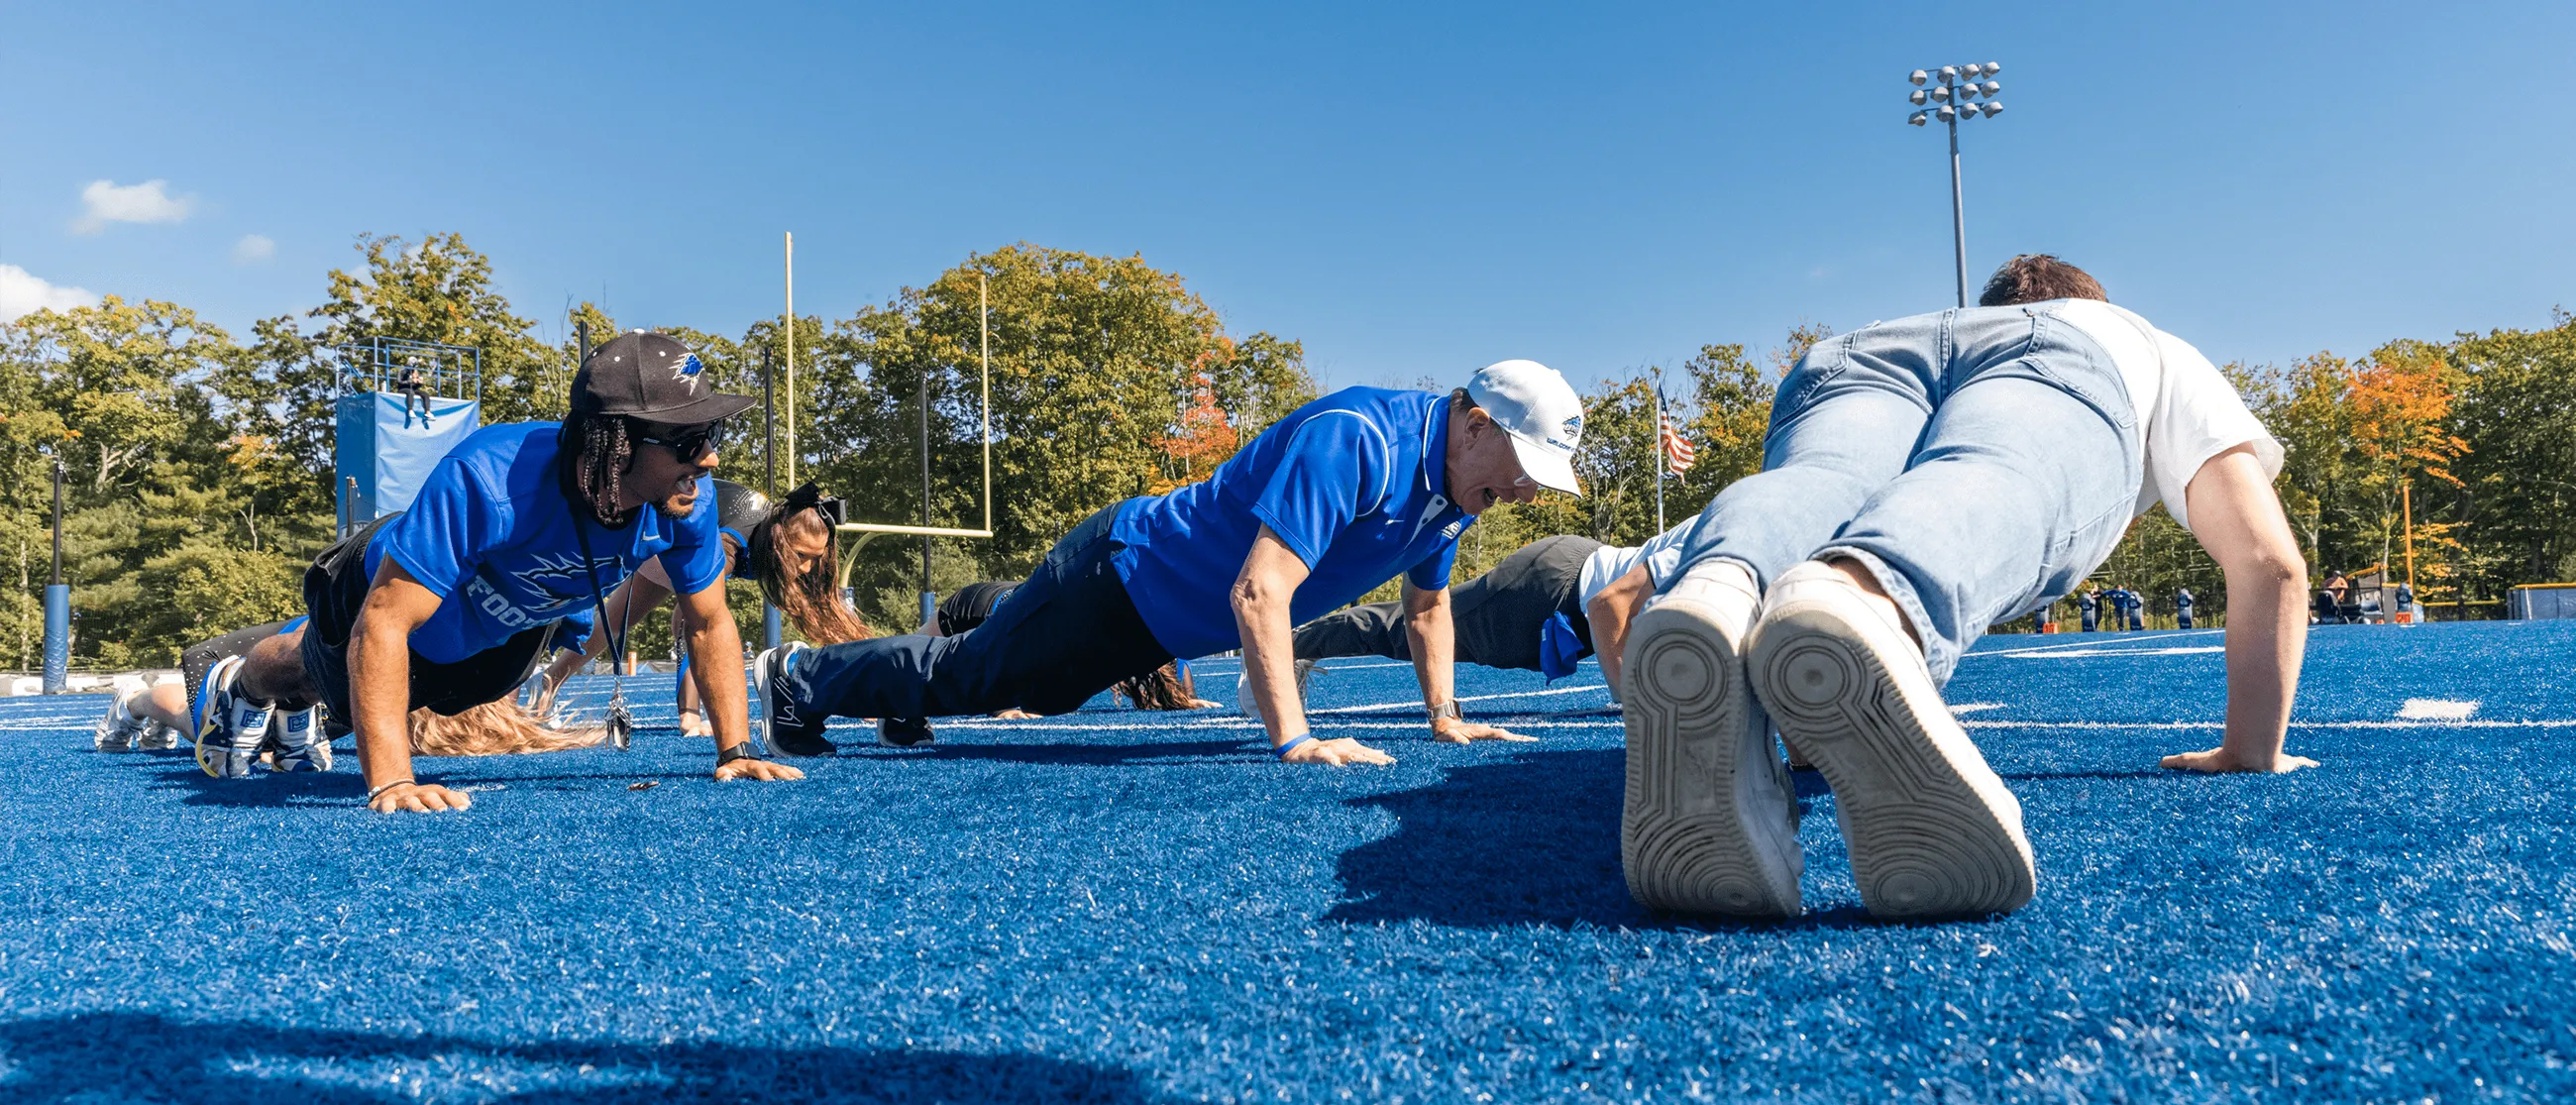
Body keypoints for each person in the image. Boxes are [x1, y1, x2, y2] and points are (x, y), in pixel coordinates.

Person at [1617, 255, 2313, 922]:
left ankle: (1720, 586)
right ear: (2089, 304)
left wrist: (1809, 734)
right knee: (1997, 467)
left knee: (1820, 482)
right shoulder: (2142, 340)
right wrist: (2251, 751)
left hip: (1857, 352)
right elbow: (2268, 561)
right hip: (2066, 360)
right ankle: (1868, 596)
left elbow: (1816, 665)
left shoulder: (1941, 322)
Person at [751, 361, 1586, 764]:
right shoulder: (1360, 440)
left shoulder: (1455, 494)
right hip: (1123, 573)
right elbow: (1259, 590)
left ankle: (908, 679)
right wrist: (1294, 740)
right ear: (1475, 423)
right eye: (1526, 468)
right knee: (977, 678)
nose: (1528, 493)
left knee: (1027, 692)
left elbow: (1429, 606)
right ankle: (800, 676)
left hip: (1157, 615)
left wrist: (1444, 713)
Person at [169, 331, 803, 812]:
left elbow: (709, 620)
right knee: (322, 672)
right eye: (690, 442)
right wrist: (391, 779)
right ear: (615, 443)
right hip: (377, 588)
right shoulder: (489, 477)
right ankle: (242, 685)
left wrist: (736, 750)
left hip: (491, 634)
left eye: (711, 433)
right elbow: (385, 622)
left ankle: (299, 711)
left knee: (459, 692)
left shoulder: (684, 497)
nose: (712, 457)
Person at [528, 480, 868, 739]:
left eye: (814, 558)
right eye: (801, 556)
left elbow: (828, 617)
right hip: (661, 531)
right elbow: (691, 618)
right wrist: (689, 714)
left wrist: (868, 687)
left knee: (614, 622)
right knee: (655, 619)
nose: (807, 568)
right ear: (778, 538)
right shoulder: (734, 542)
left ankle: (548, 681)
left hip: (679, 538)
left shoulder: (783, 545)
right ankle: (685, 712)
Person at [1268, 517, 1703, 714]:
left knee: (1415, 627)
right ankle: (1284, 643)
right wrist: (1634, 702)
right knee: (1409, 628)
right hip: (1551, 592)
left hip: (1570, 580)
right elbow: (1609, 606)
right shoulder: (1734, 535)